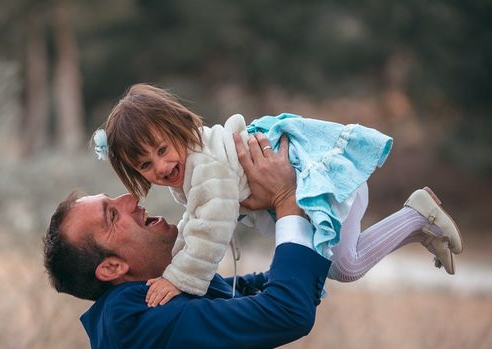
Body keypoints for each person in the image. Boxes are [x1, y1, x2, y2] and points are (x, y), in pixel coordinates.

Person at [43, 134, 330, 349]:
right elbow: (286, 310)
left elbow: (278, 288)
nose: (131, 199)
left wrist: (238, 197)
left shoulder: (171, 289)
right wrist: (287, 199)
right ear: (112, 268)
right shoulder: (131, 320)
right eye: (111, 215)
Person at [92, 84, 463, 307]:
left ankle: (416, 216)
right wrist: (173, 262)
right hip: (309, 186)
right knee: (337, 267)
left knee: (345, 268)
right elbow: (195, 220)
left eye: (162, 149)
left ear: (180, 128)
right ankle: (417, 228)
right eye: (144, 165)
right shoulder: (189, 172)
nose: (160, 166)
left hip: (318, 184)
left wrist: (179, 278)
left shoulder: (204, 166)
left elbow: (211, 227)